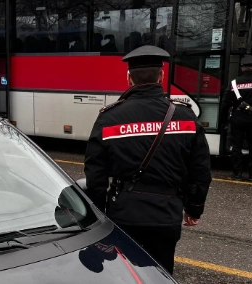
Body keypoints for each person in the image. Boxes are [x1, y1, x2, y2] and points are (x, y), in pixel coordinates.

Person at [83, 45, 212, 275]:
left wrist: (99, 213)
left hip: (124, 214)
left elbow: (96, 175)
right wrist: (194, 208)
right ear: (161, 76)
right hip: (166, 215)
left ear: (129, 78)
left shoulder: (109, 118)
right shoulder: (184, 115)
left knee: (124, 274)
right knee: (161, 273)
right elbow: (200, 169)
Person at [220, 55, 252, 182]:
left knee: (236, 146)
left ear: (242, 68)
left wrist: (223, 121)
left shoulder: (233, 83)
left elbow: (225, 103)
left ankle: (237, 174)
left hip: (238, 118)